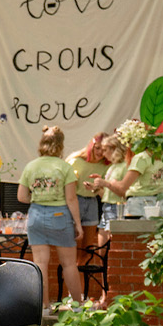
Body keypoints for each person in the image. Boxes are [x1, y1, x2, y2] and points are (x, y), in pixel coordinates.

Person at [15, 125, 82, 305]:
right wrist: (78, 224)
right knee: (68, 264)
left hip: (36, 215)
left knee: (40, 264)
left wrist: (39, 197)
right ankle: (78, 307)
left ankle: (43, 308)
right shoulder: (64, 167)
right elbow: (71, 199)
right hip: (60, 215)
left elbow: (21, 196)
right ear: (60, 145)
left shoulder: (31, 166)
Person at [68, 133, 110, 263]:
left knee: (87, 250)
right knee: (73, 249)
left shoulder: (105, 166)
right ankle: (73, 279)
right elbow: (65, 188)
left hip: (92, 203)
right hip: (75, 201)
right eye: (97, 148)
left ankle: (81, 280)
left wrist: (95, 188)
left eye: (104, 150)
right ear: (91, 146)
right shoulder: (76, 161)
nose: (100, 152)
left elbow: (107, 195)